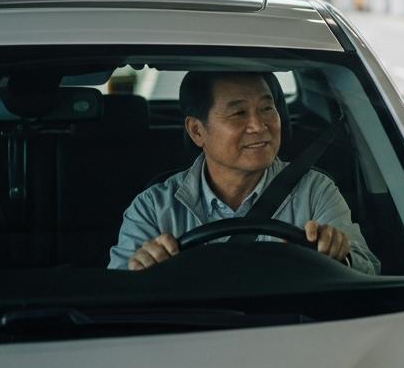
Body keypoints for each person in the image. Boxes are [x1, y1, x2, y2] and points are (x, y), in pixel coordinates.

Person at [109, 72, 380, 274]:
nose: (258, 126)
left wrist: (339, 256)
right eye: (238, 113)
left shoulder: (314, 190)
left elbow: (368, 269)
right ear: (197, 131)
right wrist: (140, 271)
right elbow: (118, 295)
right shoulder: (153, 209)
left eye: (267, 108)